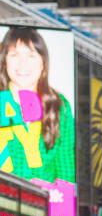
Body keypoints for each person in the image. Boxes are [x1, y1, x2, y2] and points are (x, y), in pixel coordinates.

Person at [0, 27, 75, 186]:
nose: (23, 63)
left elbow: (65, 170)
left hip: (41, 206)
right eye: (14, 55)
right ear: (4, 60)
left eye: (31, 55)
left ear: (43, 62)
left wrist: (62, 210)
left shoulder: (58, 106)